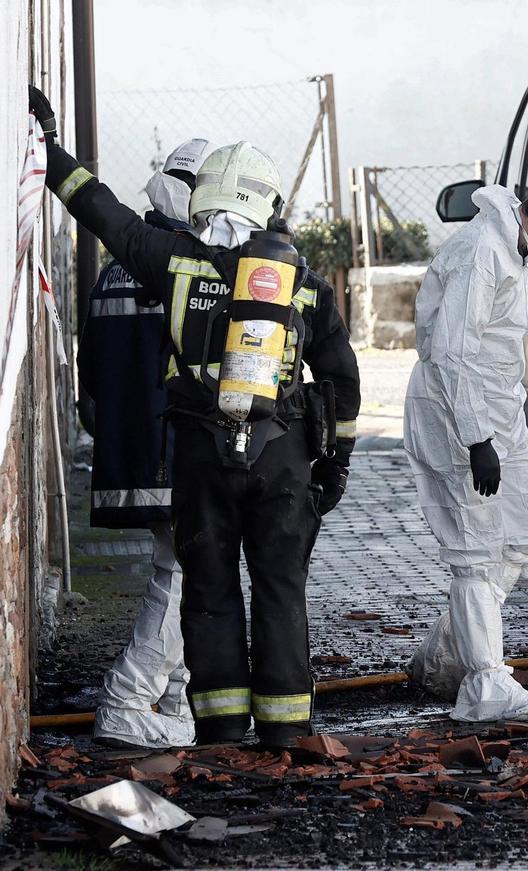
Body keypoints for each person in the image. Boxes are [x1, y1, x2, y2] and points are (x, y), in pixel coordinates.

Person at [30, 87, 360, 747]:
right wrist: (336, 463)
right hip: (281, 456)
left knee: (207, 593)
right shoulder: (301, 281)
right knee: (278, 589)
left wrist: (46, 147)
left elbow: (102, 212)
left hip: (200, 457)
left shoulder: (171, 260)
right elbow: (341, 376)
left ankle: (218, 727)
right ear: (269, 203)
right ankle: (288, 730)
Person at [405, 185, 528, 722]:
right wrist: (477, 438)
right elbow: (451, 351)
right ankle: (484, 682)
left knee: (522, 536)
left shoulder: (512, 252)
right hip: (455, 411)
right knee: (476, 548)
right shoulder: (482, 250)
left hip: (498, 410)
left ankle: (445, 656)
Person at [80, 138, 208, 749]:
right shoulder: (175, 265)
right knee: (180, 573)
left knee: (181, 568)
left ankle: (174, 697)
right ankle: (128, 696)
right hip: (170, 455)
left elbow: (91, 390)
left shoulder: (113, 270)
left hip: (133, 454)